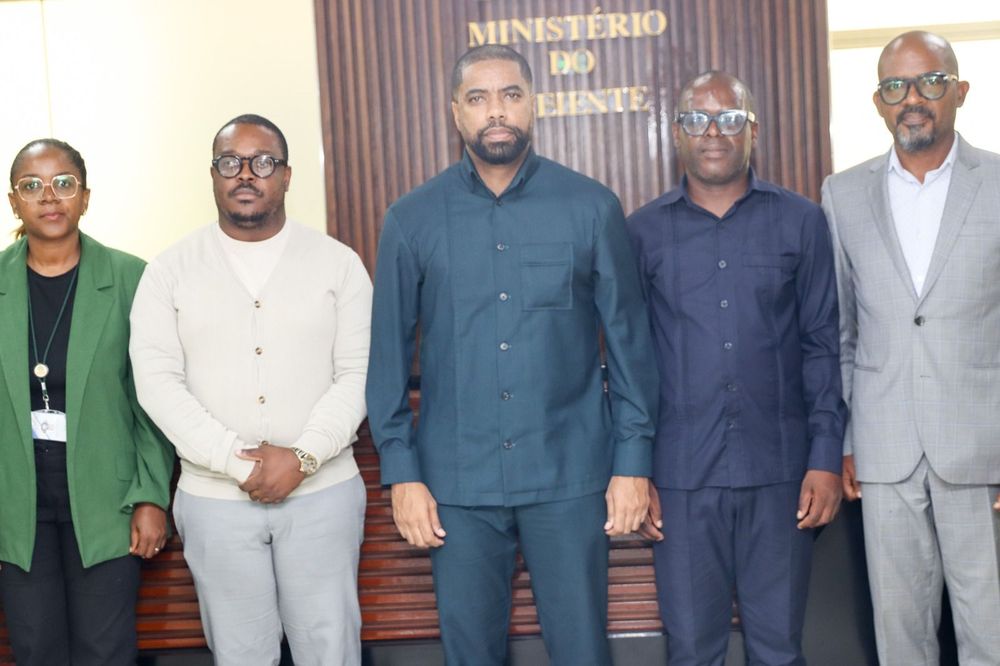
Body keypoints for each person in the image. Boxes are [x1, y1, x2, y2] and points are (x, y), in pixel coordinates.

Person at [366, 44, 658, 666]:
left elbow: (630, 346)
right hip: (457, 485)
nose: (495, 111)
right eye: (478, 98)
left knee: (583, 653)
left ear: (534, 105)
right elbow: (386, 360)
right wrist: (402, 474)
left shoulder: (591, 207)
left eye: (510, 95)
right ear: (456, 112)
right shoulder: (411, 220)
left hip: (569, 477)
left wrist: (633, 463)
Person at [128, 114, 372, 665]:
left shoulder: (339, 264)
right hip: (215, 500)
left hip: (323, 493)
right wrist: (238, 464)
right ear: (212, 175)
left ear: (286, 175)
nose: (245, 174)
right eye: (229, 162)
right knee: (239, 655)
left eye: (262, 162)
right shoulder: (168, 272)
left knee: (330, 650)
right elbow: (157, 384)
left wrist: (303, 457)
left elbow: (358, 375)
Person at [627, 71, 845, 665]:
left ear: (753, 129)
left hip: (781, 473)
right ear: (677, 133)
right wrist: (634, 468)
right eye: (697, 119)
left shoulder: (801, 221)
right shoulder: (641, 232)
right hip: (679, 478)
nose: (713, 132)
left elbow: (823, 344)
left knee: (778, 650)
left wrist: (826, 458)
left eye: (729, 118)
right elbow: (628, 361)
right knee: (692, 651)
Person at [821, 31, 1000, 665]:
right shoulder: (842, 194)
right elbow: (840, 332)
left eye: (930, 81)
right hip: (884, 448)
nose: (912, 99)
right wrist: (847, 438)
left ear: (960, 91)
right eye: (896, 86)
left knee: (990, 633)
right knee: (900, 636)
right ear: (879, 102)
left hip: (981, 449)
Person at [0, 139, 174, 664]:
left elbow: (152, 399)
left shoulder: (130, 278)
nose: (49, 196)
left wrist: (151, 495)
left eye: (63, 183)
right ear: (14, 202)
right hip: (15, 500)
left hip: (108, 499)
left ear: (85, 197)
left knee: (106, 649)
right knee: (35, 648)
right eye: (32, 185)